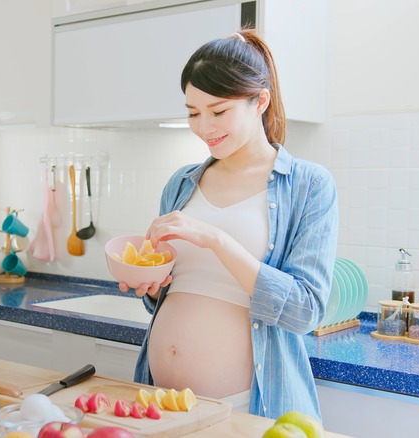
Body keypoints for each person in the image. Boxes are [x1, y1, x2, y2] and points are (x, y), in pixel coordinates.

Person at [118, 29, 338, 420]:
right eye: (192, 112)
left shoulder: (308, 185)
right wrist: (150, 284)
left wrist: (217, 239)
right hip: (160, 402)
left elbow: (306, 311)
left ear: (261, 102)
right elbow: (172, 291)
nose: (204, 127)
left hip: (248, 408)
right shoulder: (182, 183)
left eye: (218, 112)